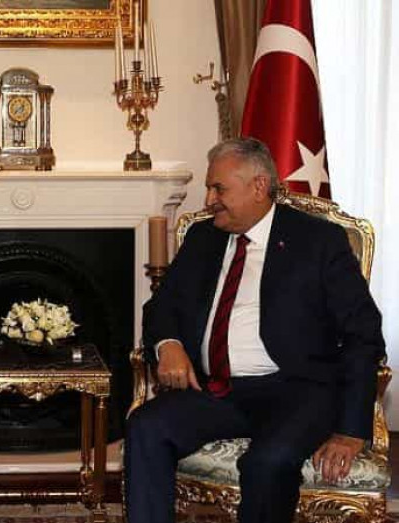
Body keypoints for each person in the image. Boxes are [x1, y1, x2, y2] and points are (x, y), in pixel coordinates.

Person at [124, 137, 385, 523]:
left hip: (297, 391)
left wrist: (351, 430)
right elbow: (161, 307)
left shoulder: (318, 241)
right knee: (146, 427)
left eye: (219, 189)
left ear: (259, 186)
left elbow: (363, 333)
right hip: (217, 390)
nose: (209, 199)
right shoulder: (203, 237)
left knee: (268, 462)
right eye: (209, 188)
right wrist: (168, 344)